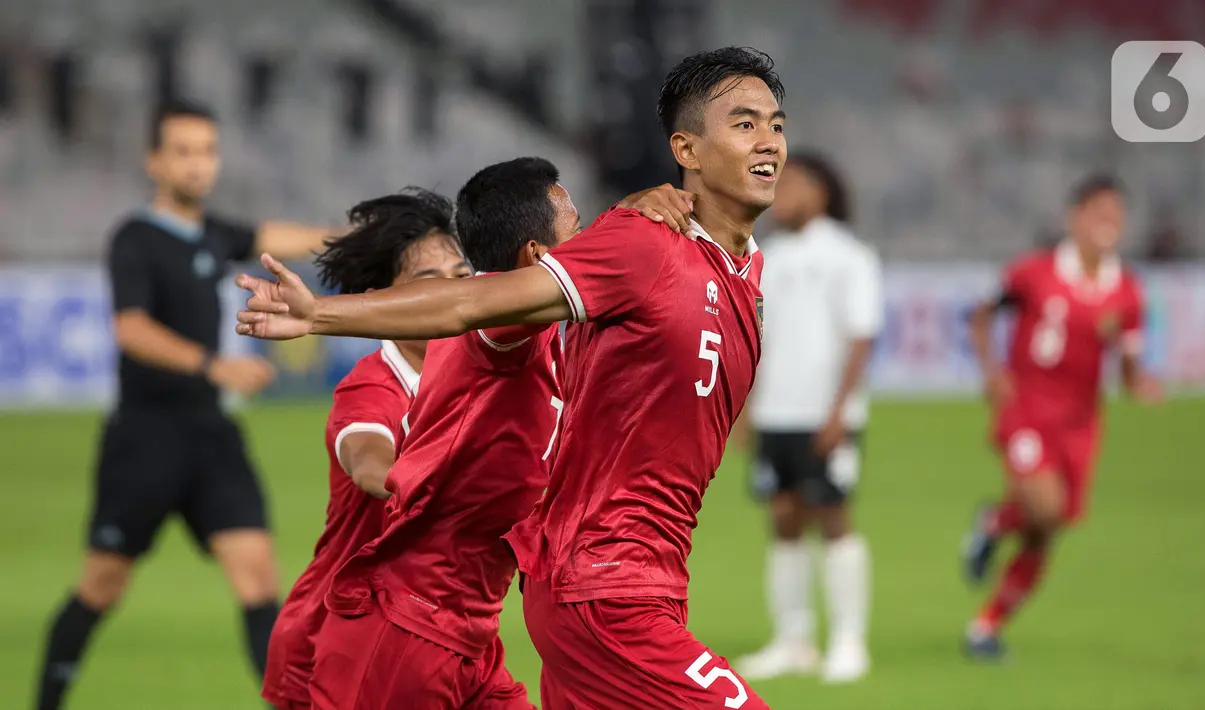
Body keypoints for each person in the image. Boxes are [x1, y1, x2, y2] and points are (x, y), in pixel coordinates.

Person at [234, 46, 783, 709]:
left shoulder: (675, 293)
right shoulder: (498, 333)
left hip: (488, 626)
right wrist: (318, 313)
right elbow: (468, 308)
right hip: (418, 619)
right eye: (745, 122)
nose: (770, 140)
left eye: (776, 124)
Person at [32, 98, 339, 710]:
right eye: (184, 151)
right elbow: (131, 330)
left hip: (209, 434)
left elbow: (275, 236)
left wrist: (360, 236)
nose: (199, 165)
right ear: (155, 160)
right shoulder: (136, 239)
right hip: (145, 437)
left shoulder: (213, 232)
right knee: (102, 586)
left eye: (207, 151)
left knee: (258, 579)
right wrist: (211, 364)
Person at [262, 188, 473, 710]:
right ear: (385, 302)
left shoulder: (485, 372)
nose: (451, 294)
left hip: (443, 636)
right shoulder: (372, 387)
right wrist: (442, 484)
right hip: (339, 640)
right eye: (428, 282)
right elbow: (368, 461)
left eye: (462, 277)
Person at [962, 174, 1163, 660]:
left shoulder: (1126, 292)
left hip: (1080, 423)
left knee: (1044, 531)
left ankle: (986, 627)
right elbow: (982, 315)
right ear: (1075, 217)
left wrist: (1141, 384)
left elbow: (1129, 364)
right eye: (1098, 210)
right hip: (1028, 410)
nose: (1107, 221)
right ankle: (994, 521)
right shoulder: (1033, 273)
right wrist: (992, 372)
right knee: (1045, 508)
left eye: (1115, 213)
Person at [738, 153, 881, 684]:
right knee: (783, 520)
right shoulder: (766, 257)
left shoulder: (849, 256)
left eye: (793, 183)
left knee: (833, 517)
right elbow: (756, 342)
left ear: (822, 191)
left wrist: (841, 409)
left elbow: (861, 337)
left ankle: (848, 639)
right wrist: (746, 410)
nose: (782, 193)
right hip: (777, 412)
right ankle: (793, 639)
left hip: (825, 416)